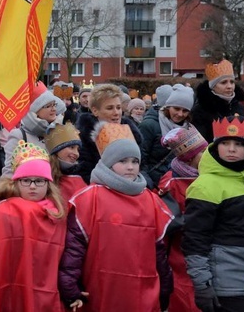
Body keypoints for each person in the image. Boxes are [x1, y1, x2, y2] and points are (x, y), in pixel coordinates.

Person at [58, 123, 173, 312]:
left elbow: (159, 249)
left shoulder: (150, 199)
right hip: (101, 286)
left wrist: (166, 286)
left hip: (143, 289)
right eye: (123, 161)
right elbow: (74, 247)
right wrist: (69, 285)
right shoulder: (90, 197)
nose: (130, 167)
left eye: (135, 162)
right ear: (109, 163)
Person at [183, 116, 244, 311]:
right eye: (225, 143)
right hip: (228, 282)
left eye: (238, 144)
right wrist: (202, 283)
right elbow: (195, 239)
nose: (231, 149)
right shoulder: (205, 185)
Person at [0, 141, 67, 311]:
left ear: (48, 184)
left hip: (47, 288)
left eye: (39, 181)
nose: (32, 186)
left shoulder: (56, 213)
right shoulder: (4, 211)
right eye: (26, 180)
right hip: (12, 285)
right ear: (16, 182)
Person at [157, 127, 208, 312]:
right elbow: (167, 222)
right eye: (202, 152)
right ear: (189, 157)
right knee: (183, 296)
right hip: (179, 251)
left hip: (206, 249)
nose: (207, 154)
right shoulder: (171, 182)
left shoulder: (209, 176)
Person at [74, 83, 143, 184]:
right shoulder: (83, 137)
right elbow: (85, 172)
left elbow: (143, 166)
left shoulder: (132, 133)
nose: (116, 113)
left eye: (118, 107)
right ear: (95, 111)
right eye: (110, 108)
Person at [2, 81, 64, 176]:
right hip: (29, 188)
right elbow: (9, 172)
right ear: (35, 111)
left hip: (54, 189)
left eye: (54, 104)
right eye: (48, 106)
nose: (54, 109)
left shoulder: (59, 132)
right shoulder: (19, 135)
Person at [140, 84, 196, 186]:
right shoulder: (149, 125)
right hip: (154, 184)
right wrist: (149, 185)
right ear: (168, 107)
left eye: (185, 111)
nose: (180, 114)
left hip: (176, 184)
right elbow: (141, 160)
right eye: (176, 108)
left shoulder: (189, 128)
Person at [191, 59, 244, 142]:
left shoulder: (238, 106)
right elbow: (200, 142)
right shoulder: (201, 110)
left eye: (232, 82)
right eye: (223, 82)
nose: (229, 86)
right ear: (213, 86)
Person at [43, 122, 86, 202]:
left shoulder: (78, 178)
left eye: (78, 149)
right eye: (72, 147)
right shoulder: (42, 177)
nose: (76, 153)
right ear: (57, 150)